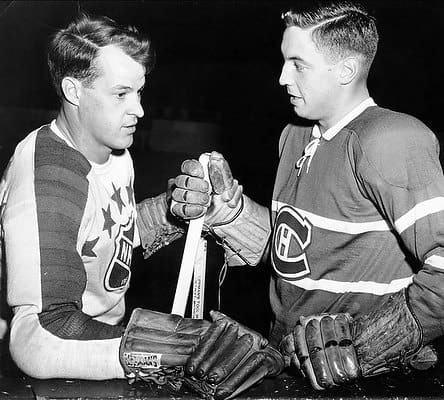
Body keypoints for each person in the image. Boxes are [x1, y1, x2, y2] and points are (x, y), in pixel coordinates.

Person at [171, 0, 444, 396]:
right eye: (284, 61)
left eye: (298, 64)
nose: (282, 77)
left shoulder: (392, 139)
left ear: (346, 70)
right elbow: (298, 248)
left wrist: (377, 342)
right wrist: (230, 216)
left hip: (367, 382)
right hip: (290, 369)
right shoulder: (295, 134)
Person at [0, 14, 213, 381]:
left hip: (99, 336)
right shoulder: (50, 174)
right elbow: (36, 336)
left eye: (139, 91)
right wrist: (154, 354)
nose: (139, 110)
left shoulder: (114, 151)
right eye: (120, 94)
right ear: (73, 91)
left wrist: (171, 211)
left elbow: (105, 236)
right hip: (62, 359)